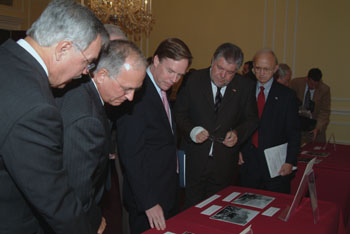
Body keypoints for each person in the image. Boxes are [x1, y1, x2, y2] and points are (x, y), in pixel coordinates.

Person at [0, 0, 109, 233]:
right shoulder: (36, 106)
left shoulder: (6, 57)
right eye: (88, 62)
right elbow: (53, 198)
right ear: (63, 48)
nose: (85, 73)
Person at [55, 40, 146, 233]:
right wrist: (92, 220)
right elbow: (75, 189)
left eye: (135, 90)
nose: (130, 97)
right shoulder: (87, 117)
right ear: (102, 75)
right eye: (126, 88)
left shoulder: (79, 89)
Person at [116, 38, 192, 234]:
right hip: (147, 200)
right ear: (156, 60)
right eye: (170, 71)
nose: (174, 79)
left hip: (166, 191)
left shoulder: (161, 89)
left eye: (180, 75)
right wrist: (148, 202)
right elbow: (131, 154)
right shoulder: (137, 92)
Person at [174, 43, 258, 208]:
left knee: (217, 209)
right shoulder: (193, 79)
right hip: (195, 160)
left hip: (224, 163)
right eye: (220, 68)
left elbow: (252, 119)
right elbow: (179, 114)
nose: (223, 75)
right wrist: (193, 130)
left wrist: (237, 134)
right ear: (212, 60)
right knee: (192, 209)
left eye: (230, 72)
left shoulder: (244, 87)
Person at [239, 49, 300, 194]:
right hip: (248, 162)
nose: (261, 73)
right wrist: (238, 150)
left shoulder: (287, 96)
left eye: (266, 69)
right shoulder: (243, 91)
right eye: (258, 68)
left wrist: (290, 161)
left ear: (275, 69)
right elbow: (237, 123)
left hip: (275, 165)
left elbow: (294, 132)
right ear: (253, 69)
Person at [290, 68, 331, 143]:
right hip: (297, 124)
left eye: (316, 85)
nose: (313, 86)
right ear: (307, 78)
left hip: (314, 125)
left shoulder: (325, 90)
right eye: (311, 83)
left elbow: (324, 112)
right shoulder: (295, 83)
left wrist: (318, 128)